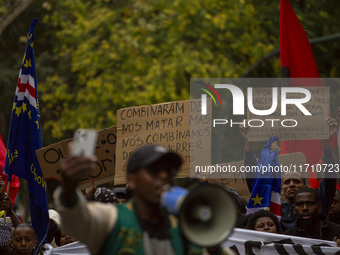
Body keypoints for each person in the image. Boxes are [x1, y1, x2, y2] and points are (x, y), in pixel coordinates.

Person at [54, 144, 233, 255]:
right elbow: (75, 220)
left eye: (169, 171)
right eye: (154, 170)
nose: (164, 176)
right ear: (131, 180)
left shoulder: (184, 229)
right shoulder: (112, 219)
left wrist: (212, 244)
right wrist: (69, 187)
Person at [239, 117, 338, 231]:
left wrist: (325, 141)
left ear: (306, 187)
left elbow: (329, 177)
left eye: (296, 181)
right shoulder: (274, 208)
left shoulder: (317, 203)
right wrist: (248, 142)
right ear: (281, 189)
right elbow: (254, 181)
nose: (291, 185)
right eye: (287, 182)